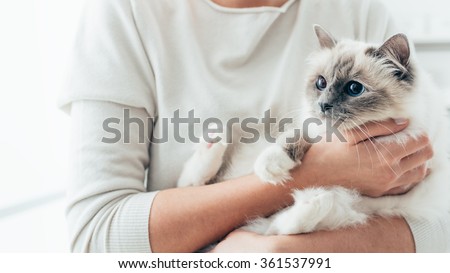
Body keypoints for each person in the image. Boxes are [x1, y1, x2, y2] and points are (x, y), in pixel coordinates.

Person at [59, 0, 450, 252]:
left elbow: (440, 228)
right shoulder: (124, 13)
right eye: (320, 86)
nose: (327, 101)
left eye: (348, 89)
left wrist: (286, 255)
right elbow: (95, 238)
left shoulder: (357, 9)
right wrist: (311, 173)